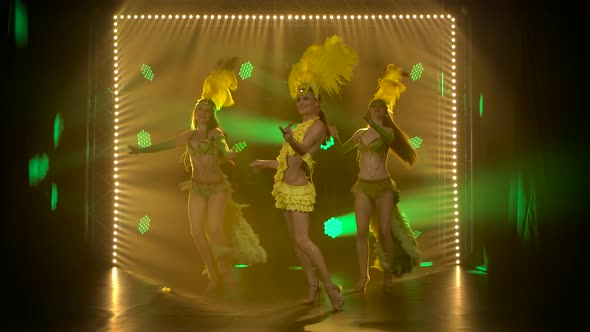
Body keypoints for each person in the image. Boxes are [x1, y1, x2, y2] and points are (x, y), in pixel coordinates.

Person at [128, 58, 267, 293]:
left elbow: (222, 145)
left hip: (217, 189)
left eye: (208, 110)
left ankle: (226, 275)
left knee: (213, 228)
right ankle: (213, 276)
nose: (203, 113)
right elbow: (165, 145)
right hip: (196, 187)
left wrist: (228, 153)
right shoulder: (189, 136)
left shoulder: (216, 133)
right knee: (196, 232)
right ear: (195, 113)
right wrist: (141, 150)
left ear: (212, 115)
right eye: (200, 109)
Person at [250, 35, 358, 312]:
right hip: (284, 189)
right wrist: (264, 163)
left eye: (306, 98)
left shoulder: (318, 127)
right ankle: (312, 286)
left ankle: (331, 288)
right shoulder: (295, 127)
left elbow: (303, 152)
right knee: (294, 243)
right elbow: (285, 163)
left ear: (317, 102)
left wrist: (290, 139)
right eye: (299, 99)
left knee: (302, 240)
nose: (301, 102)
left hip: (300, 190)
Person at [329, 64, 421, 294]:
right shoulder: (360, 134)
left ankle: (388, 272)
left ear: (384, 113)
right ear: (369, 112)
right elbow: (342, 150)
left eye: (381, 108)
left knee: (383, 231)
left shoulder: (387, 133)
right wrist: (334, 137)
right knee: (361, 232)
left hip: (383, 187)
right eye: (374, 108)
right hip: (362, 187)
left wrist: (375, 125)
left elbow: (388, 140)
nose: (377, 110)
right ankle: (363, 277)